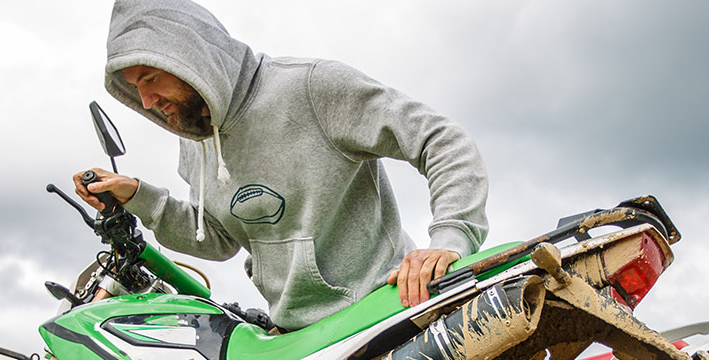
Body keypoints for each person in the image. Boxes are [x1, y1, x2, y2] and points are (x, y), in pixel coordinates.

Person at [74, 0, 489, 331]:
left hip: (382, 311)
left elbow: (441, 139)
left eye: (149, 77)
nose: (147, 102)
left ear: (190, 57)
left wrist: (451, 237)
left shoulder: (311, 87)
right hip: (294, 339)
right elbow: (217, 240)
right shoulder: (196, 140)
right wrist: (138, 197)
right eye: (134, 88)